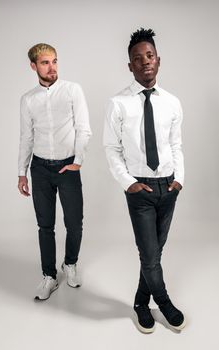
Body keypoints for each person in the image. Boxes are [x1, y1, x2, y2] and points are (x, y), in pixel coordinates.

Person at [104, 28, 186, 333]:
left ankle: (140, 301)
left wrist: (179, 180)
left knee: (154, 253)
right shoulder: (118, 103)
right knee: (149, 255)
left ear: (158, 60)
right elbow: (111, 148)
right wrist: (129, 183)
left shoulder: (172, 102)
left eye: (149, 56)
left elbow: (176, 145)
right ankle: (163, 302)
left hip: (169, 186)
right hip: (140, 188)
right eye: (137, 59)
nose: (145, 62)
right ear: (130, 66)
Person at [18, 43, 91, 300]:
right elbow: (26, 137)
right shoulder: (28, 99)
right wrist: (21, 173)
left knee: (74, 223)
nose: (52, 68)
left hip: (67, 166)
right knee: (45, 225)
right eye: (46, 63)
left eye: (55, 61)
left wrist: (78, 160)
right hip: (39, 169)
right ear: (34, 66)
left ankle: (69, 264)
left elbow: (83, 128)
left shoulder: (72, 90)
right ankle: (49, 275)